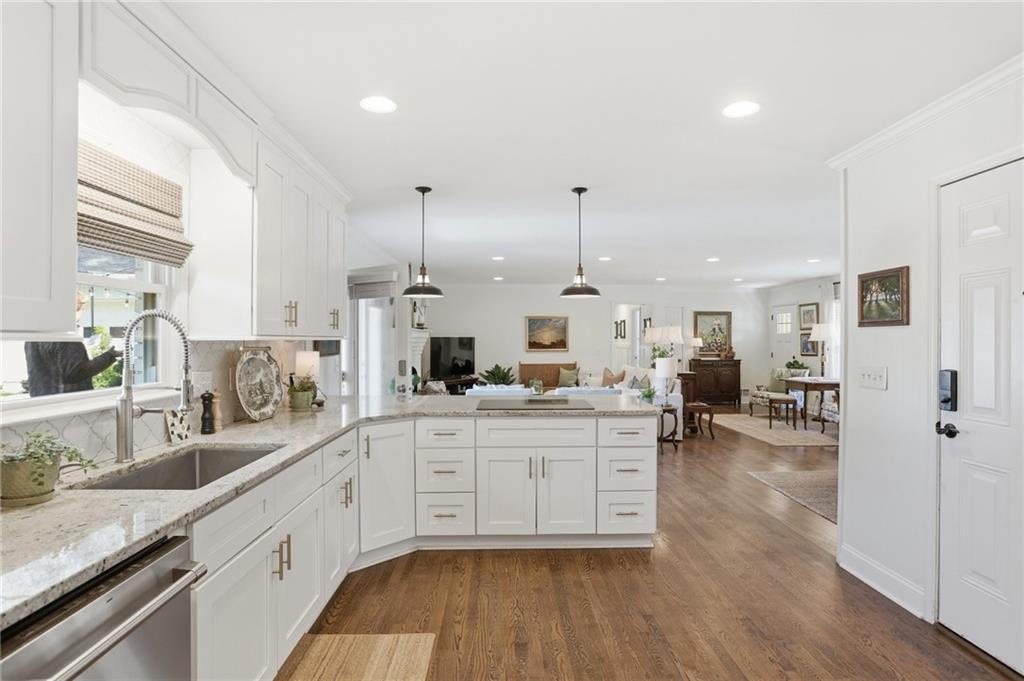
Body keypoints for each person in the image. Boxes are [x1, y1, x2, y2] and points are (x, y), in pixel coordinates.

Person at [24, 291, 122, 397]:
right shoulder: (66, 337)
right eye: (82, 309)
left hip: (41, 401)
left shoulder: (34, 336)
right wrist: (110, 356)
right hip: (68, 401)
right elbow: (77, 373)